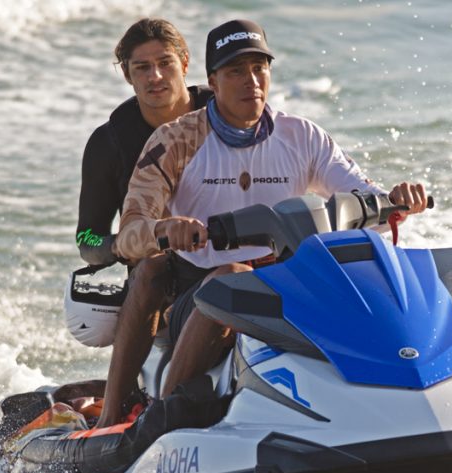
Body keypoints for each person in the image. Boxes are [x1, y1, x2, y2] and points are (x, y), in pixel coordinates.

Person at [96, 18, 427, 427]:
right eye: (236, 71)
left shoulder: (303, 136)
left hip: (289, 290)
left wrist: (398, 201)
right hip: (199, 293)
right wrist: (166, 230)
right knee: (230, 274)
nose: (250, 80)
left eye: (259, 68)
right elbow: (129, 235)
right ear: (213, 82)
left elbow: (366, 199)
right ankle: (160, 420)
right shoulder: (174, 140)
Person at [75, 18, 212, 266]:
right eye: (142, 67)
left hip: (231, 257)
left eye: (165, 63)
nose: (155, 76)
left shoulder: (223, 115)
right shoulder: (108, 142)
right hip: (156, 274)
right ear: (127, 74)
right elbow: (87, 238)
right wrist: (121, 244)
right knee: (154, 265)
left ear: (184, 63)